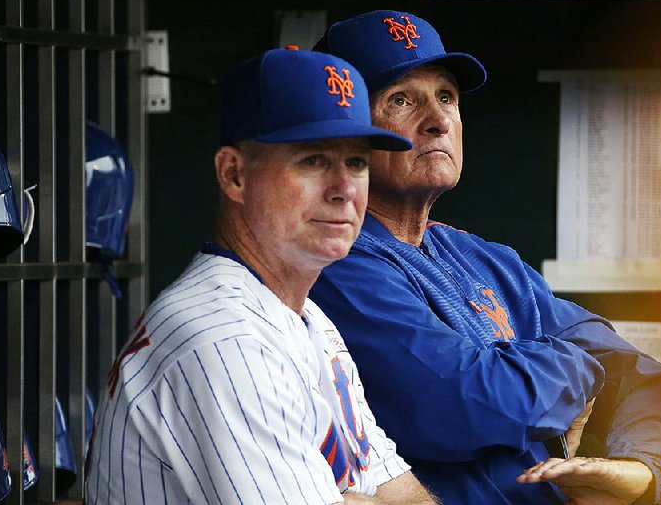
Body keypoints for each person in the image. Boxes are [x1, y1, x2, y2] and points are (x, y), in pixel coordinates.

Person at [309, 9, 661, 505]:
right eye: (401, 100)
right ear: (344, 134)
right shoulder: (335, 263)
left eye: (446, 97)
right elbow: (459, 403)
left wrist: (641, 471)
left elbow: (644, 375)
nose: (438, 121)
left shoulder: (488, 259)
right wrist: (581, 367)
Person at [84, 46, 439, 504]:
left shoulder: (306, 318)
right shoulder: (224, 337)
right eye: (313, 160)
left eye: (356, 162)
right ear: (234, 175)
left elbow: (400, 492)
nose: (344, 189)